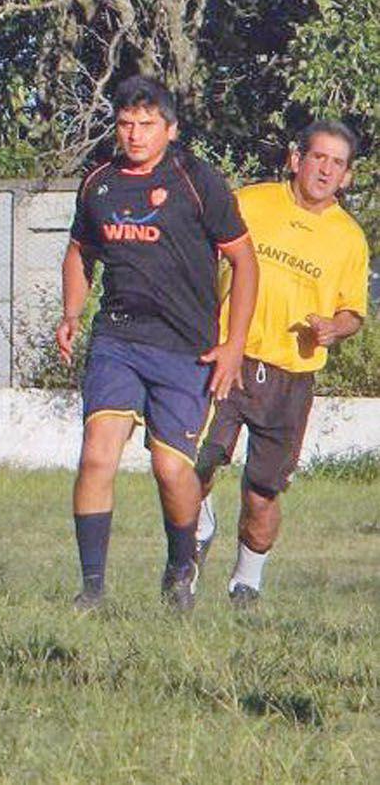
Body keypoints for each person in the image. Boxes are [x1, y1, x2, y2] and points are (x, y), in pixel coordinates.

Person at [56, 75, 258, 612]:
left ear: (169, 128)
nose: (136, 135)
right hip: (118, 337)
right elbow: (79, 252)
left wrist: (233, 344)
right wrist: (72, 312)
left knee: (171, 471)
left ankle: (180, 563)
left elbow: (244, 260)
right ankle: (92, 589)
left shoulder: (196, 180)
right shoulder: (99, 182)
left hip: (184, 347)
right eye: (126, 124)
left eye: (147, 125)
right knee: (97, 454)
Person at [193, 121, 369, 606]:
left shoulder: (348, 239)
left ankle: (245, 582)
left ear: (347, 177)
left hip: (291, 377)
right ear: (296, 159)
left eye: (336, 164)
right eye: (318, 157)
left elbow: (353, 311)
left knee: (262, 492)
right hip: (230, 354)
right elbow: (202, 253)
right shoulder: (249, 201)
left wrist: (335, 327)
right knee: (198, 460)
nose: (325, 169)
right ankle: (199, 524)